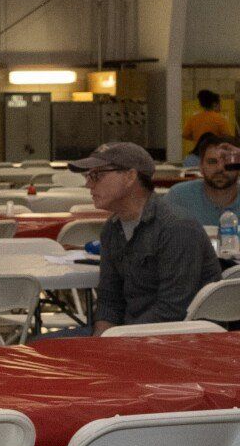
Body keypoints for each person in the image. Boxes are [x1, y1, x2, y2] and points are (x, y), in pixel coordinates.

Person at [72, 142, 222, 332]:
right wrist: (103, 342)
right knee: (39, 348)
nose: (88, 184)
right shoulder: (111, 229)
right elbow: (109, 301)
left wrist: (116, 340)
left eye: (97, 175)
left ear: (130, 177)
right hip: (128, 334)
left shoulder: (176, 227)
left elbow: (173, 311)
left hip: (173, 341)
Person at [167, 136, 239, 228]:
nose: (220, 168)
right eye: (212, 162)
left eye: (228, 161)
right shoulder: (179, 197)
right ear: (201, 167)